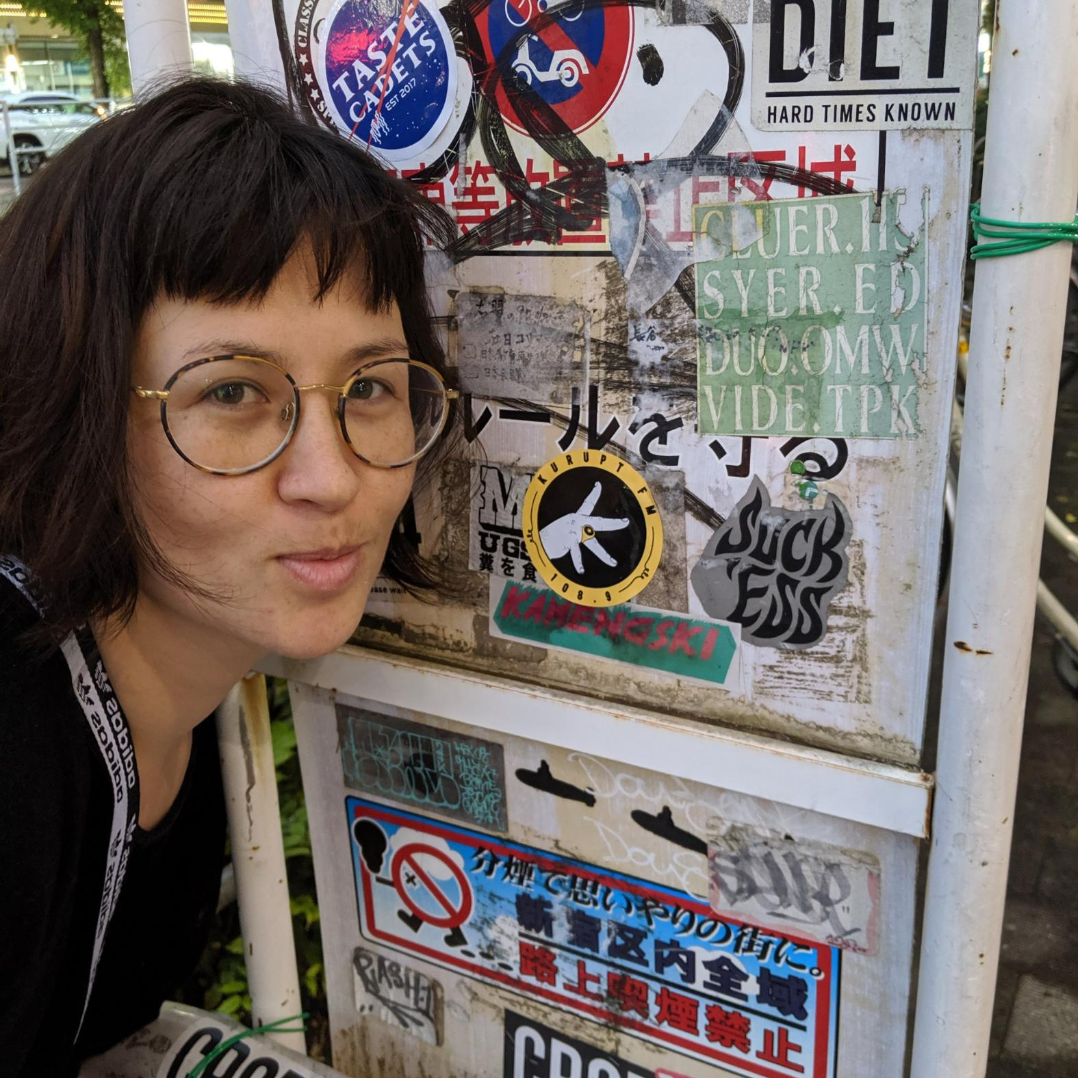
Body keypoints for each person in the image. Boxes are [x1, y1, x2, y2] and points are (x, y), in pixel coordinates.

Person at [0, 75, 455, 1076]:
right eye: (234, 391)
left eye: (369, 386)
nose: (332, 477)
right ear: (72, 404)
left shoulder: (172, 704)